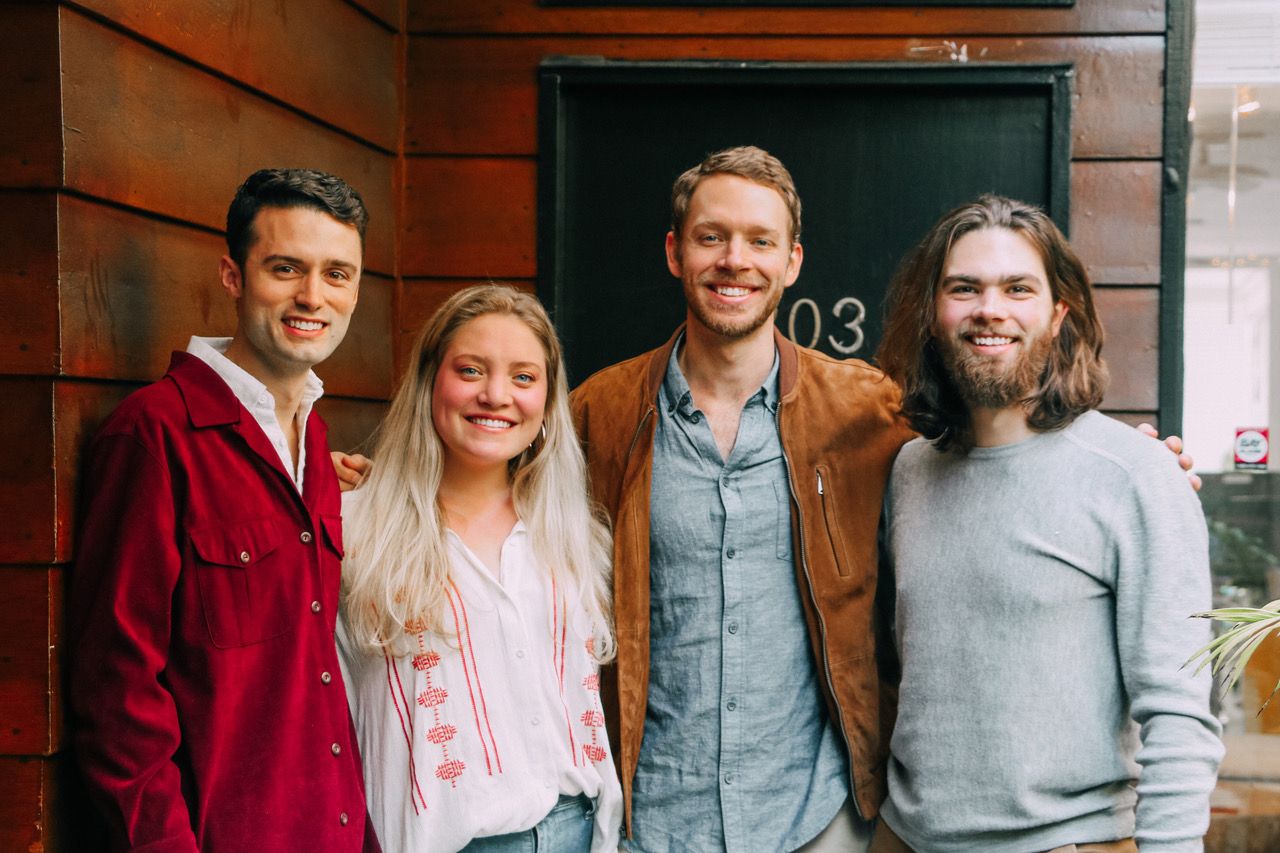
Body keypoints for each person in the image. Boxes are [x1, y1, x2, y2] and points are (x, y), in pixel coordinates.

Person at [569, 146, 914, 852]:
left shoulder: (867, 409)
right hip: (649, 820)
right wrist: (355, 483)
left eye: (760, 241)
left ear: (792, 261)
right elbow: (488, 500)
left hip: (819, 820)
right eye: (711, 236)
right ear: (675, 252)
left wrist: (1132, 461)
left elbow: (982, 455)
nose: (735, 260)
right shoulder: (595, 414)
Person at [873, 195, 1223, 852]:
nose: (989, 309)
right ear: (933, 312)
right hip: (907, 837)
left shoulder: (1135, 473)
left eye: (1018, 288)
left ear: (1058, 314)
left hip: (1068, 842)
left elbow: (1177, 714)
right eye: (964, 288)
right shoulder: (910, 473)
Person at [68, 169, 378, 851]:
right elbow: (116, 696)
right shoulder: (154, 434)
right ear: (233, 275)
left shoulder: (314, 441)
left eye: (337, 274)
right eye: (285, 268)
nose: (312, 296)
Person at [337, 284, 622, 852]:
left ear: (545, 401)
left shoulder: (573, 536)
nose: (496, 395)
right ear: (428, 383)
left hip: (579, 829)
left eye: (523, 377)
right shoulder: (351, 529)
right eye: (470, 370)